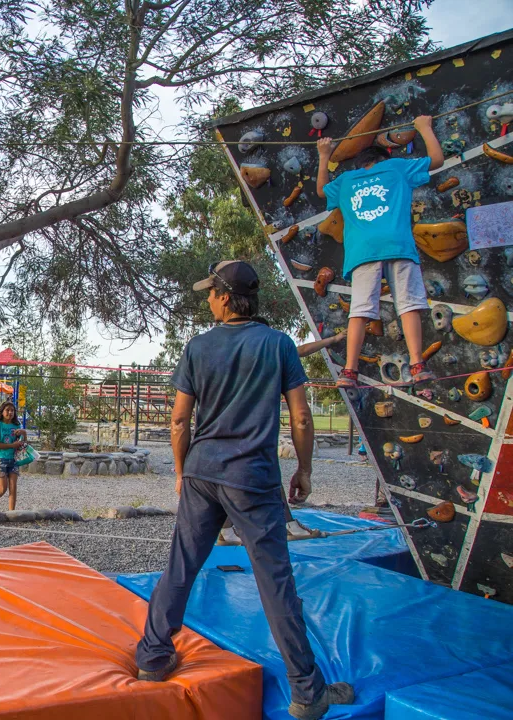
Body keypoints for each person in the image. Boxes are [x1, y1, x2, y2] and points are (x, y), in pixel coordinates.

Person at [136, 261, 354, 720]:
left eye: (210, 292)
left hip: (202, 473)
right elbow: (301, 417)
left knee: (181, 565)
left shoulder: (198, 347)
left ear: (225, 296)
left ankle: (153, 658)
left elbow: (179, 420)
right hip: (253, 478)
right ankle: (306, 691)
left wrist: (182, 471)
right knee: (275, 580)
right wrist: (305, 470)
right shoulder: (278, 345)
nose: (207, 300)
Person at [316, 116, 443, 389]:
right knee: (408, 305)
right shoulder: (396, 167)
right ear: (384, 158)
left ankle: (349, 371)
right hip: (397, 244)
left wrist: (324, 155)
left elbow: (321, 191)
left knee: (360, 310)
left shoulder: (347, 180)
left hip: (363, 251)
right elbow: (436, 159)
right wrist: (424, 128)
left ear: (361, 164)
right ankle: (417, 364)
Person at [219, 330, 346, 545]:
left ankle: (227, 529)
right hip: (251, 427)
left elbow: (301, 350)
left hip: (228, 428)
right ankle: (287, 526)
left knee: (246, 476)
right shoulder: (266, 358)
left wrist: (332, 340)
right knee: (261, 472)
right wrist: (305, 469)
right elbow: (302, 418)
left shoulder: (237, 356)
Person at [0, 401, 27, 511]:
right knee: (3, 488)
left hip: (14, 459)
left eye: (12, 410)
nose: (10, 412)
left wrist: (24, 433)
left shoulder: (17, 425)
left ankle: (11, 513)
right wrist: (12, 445)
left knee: (13, 487)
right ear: (2, 411)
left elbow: (23, 444)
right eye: (7, 410)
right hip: (0, 458)